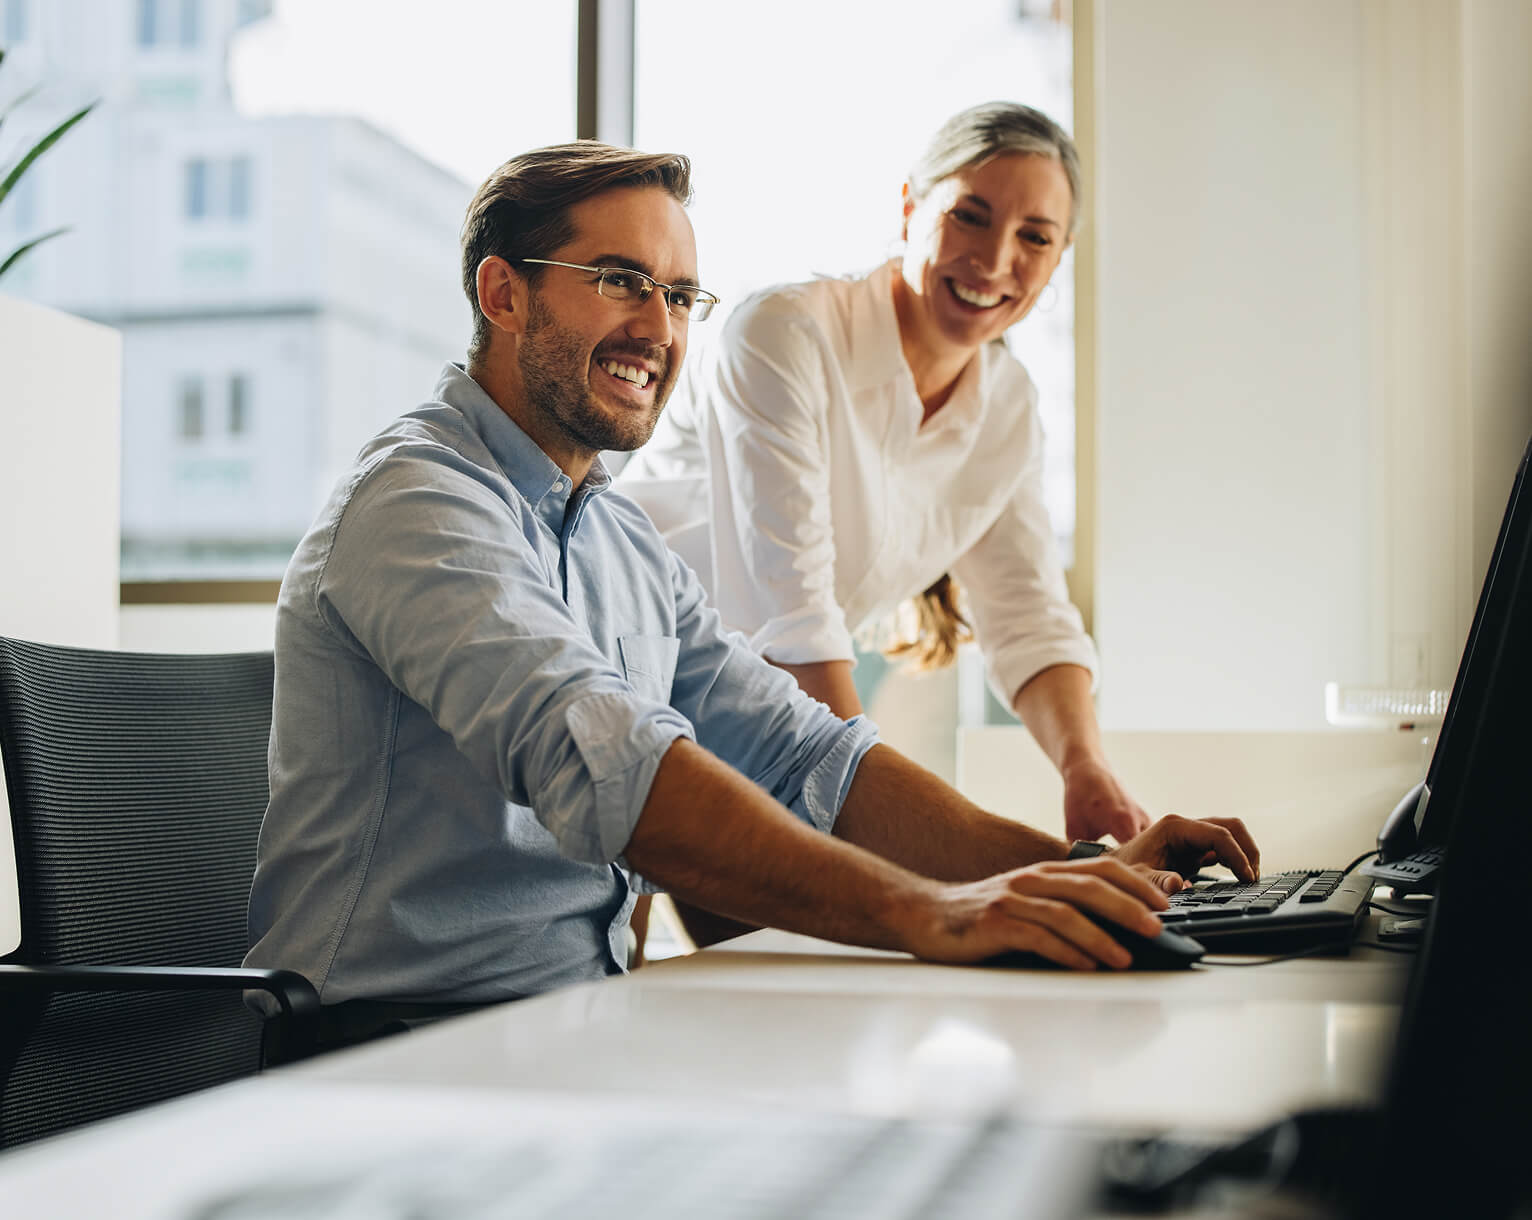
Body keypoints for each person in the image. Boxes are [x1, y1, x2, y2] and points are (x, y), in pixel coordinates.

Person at [244, 141, 1258, 1048]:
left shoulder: (618, 534)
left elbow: (809, 748)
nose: (659, 328)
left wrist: (1087, 871)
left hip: (576, 1023)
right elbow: (612, 765)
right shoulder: (418, 501)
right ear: (503, 295)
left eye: (680, 296)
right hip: (397, 1049)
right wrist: (929, 910)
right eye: (618, 280)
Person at [617, 102, 1145, 852]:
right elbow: (791, 626)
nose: (996, 261)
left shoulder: (1009, 408)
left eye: (1035, 237)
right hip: (624, 685)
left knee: (803, 957)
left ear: (1059, 259)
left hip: (749, 718)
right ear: (909, 207)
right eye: (970, 216)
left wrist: (1087, 769)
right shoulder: (785, 335)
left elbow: (1028, 614)